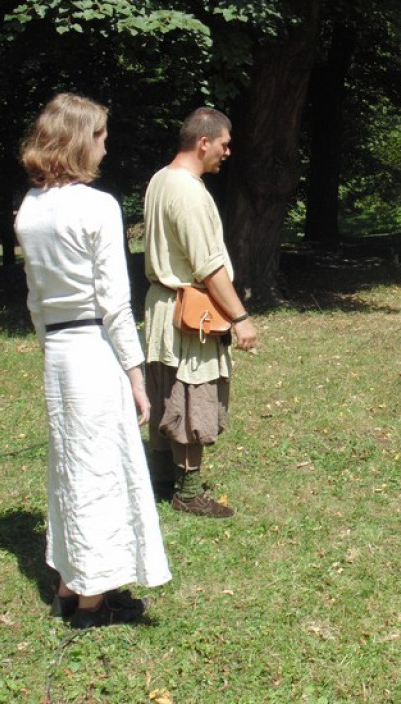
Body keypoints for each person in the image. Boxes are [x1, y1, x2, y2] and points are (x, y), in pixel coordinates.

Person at [15, 93, 171, 629]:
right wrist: (136, 374)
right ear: (82, 139)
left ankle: (70, 583)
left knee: (70, 469)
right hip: (91, 350)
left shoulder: (30, 209)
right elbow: (113, 303)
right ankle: (90, 605)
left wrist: (47, 347)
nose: (106, 146)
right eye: (101, 135)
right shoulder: (97, 206)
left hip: (58, 352)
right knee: (99, 470)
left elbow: (36, 300)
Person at [142, 108, 258, 517]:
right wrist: (241, 319)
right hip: (189, 313)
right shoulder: (189, 192)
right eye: (225, 144)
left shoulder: (160, 179)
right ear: (203, 142)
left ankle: (158, 480)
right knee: (191, 397)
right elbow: (207, 266)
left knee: (165, 395)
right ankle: (187, 493)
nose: (228, 152)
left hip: (162, 308)